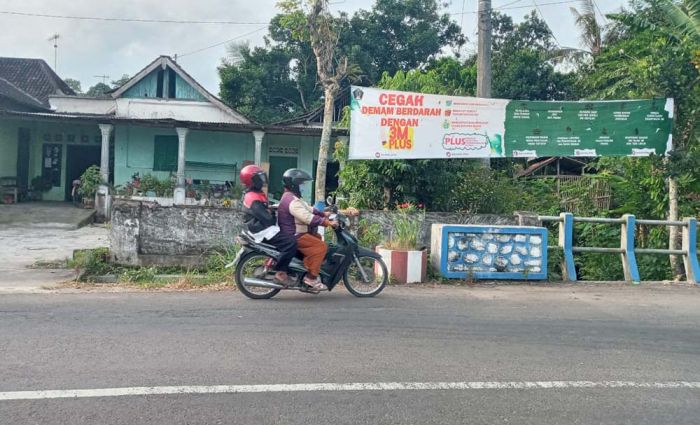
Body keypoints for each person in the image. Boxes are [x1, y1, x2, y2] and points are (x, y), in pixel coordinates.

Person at [276, 169, 337, 292]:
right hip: (295, 235)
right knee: (321, 247)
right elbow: (307, 217)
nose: (302, 186)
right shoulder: (292, 201)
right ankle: (311, 277)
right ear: (294, 184)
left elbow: (309, 209)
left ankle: (306, 269)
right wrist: (326, 222)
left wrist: (324, 213)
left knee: (318, 238)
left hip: (297, 233)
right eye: (301, 184)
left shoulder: (292, 197)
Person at [240, 165, 297, 286]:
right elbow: (267, 219)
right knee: (291, 243)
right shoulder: (252, 197)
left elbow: (264, 210)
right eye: (259, 177)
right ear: (252, 180)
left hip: (262, 227)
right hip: (262, 230)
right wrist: (271, 213)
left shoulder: (256, 193)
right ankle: (280, 273)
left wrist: (270, 209)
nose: (262, 179)